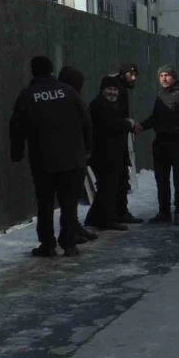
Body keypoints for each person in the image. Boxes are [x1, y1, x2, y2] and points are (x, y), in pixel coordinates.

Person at [10, 56, 92, 257]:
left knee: (45, 204)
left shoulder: (28, 96)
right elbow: (86, 122)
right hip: (73, 159)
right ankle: (69, 243)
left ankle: (47, 244)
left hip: (43, 160)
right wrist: (87, 148)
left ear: (33, 71)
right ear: (52, 70)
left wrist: (17, 151)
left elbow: (16, 127)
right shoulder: (69, 92)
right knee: (68, 203)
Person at [139, 65, 179, 225]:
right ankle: (164, 212)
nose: (164, 78)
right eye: (161, 76)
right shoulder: (160, 95)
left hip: (176, 144)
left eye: (167, 75)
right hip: (160, 143)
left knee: (178, 180)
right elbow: (155, 118)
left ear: (174, 77)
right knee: (161, 180)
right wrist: (141, 126)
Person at [84, 76, 137, 231]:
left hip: (113, 153)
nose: (112, 92)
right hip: (103, 154)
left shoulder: (111, 105)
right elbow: (110, 124)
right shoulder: (98, 105)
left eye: (115, 89)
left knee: (109, 187)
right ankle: (106, 219)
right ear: (102, 90)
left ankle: (95, 218)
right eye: (109, 89)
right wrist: (129, 124)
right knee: (107, 188)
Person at [57, 66, 99, 243]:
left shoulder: (58, 97)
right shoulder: (73, 98)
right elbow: (86, 125)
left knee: (67, 199)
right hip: (73, 155)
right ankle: (69, 233)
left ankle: (71, 229)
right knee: (69, 198)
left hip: (55, 155)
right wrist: (88, 149)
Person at [109, 63, 143, 223]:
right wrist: (129, 124)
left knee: (119, 178)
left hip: (117, 139)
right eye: (131, 74)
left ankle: (117, 212)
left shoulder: (118, 87)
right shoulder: (117, 89)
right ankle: (119, 213)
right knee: (119, 179)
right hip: (114, 141)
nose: (134, 78)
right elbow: (114, 118)